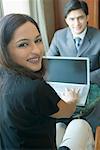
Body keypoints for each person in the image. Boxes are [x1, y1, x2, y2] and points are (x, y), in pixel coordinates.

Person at [0, 13, 94, 150]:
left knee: (60, 126)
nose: (37, 50)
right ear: (5, 50)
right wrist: (72, 99)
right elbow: (68, 111)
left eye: (38, 40)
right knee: (80, 125)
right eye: (23, 44)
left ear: (87, 17)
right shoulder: (34, 89)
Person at [47, 0, 100, 85]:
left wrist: (84, 79)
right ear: (66, 20)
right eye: (72, 19)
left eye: (80, 18)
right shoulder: (58, 36)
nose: (77, 23)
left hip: (92, 83)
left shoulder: (98, 36)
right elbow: (49, 62)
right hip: (66, 81)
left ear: (87, 17)